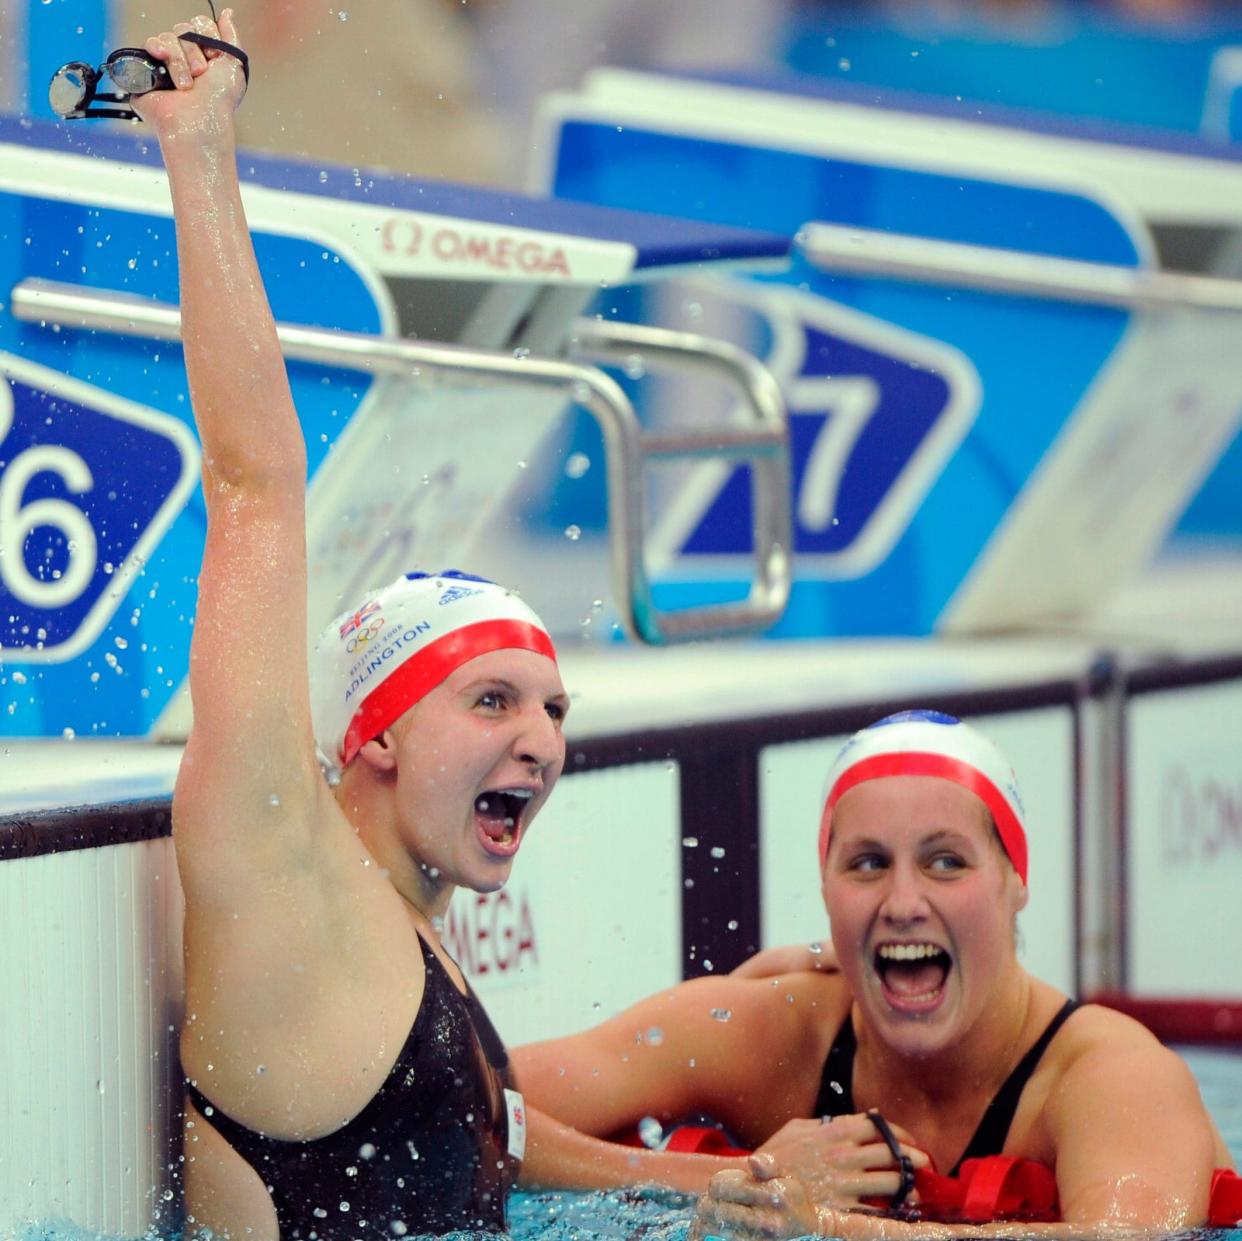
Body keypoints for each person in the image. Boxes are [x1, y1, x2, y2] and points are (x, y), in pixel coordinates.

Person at [130, 16, 817, 1235]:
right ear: (378, 733)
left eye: (553, 707)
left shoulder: (411, 936)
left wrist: (733, 1186)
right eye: (493, 701)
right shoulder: (283, 865)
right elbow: (253, 485)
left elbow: (494, 1131)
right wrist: (201, 155)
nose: (542, 737)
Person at [516, 710, 1234, 1237]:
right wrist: (723, 1180)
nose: (903, 902)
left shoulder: (1111, 1074)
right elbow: (454, 1104)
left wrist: (825, 1228)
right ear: (826, 892)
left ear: (1016, 880)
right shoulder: (773, 1031)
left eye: (945, 861)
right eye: (867, 864)